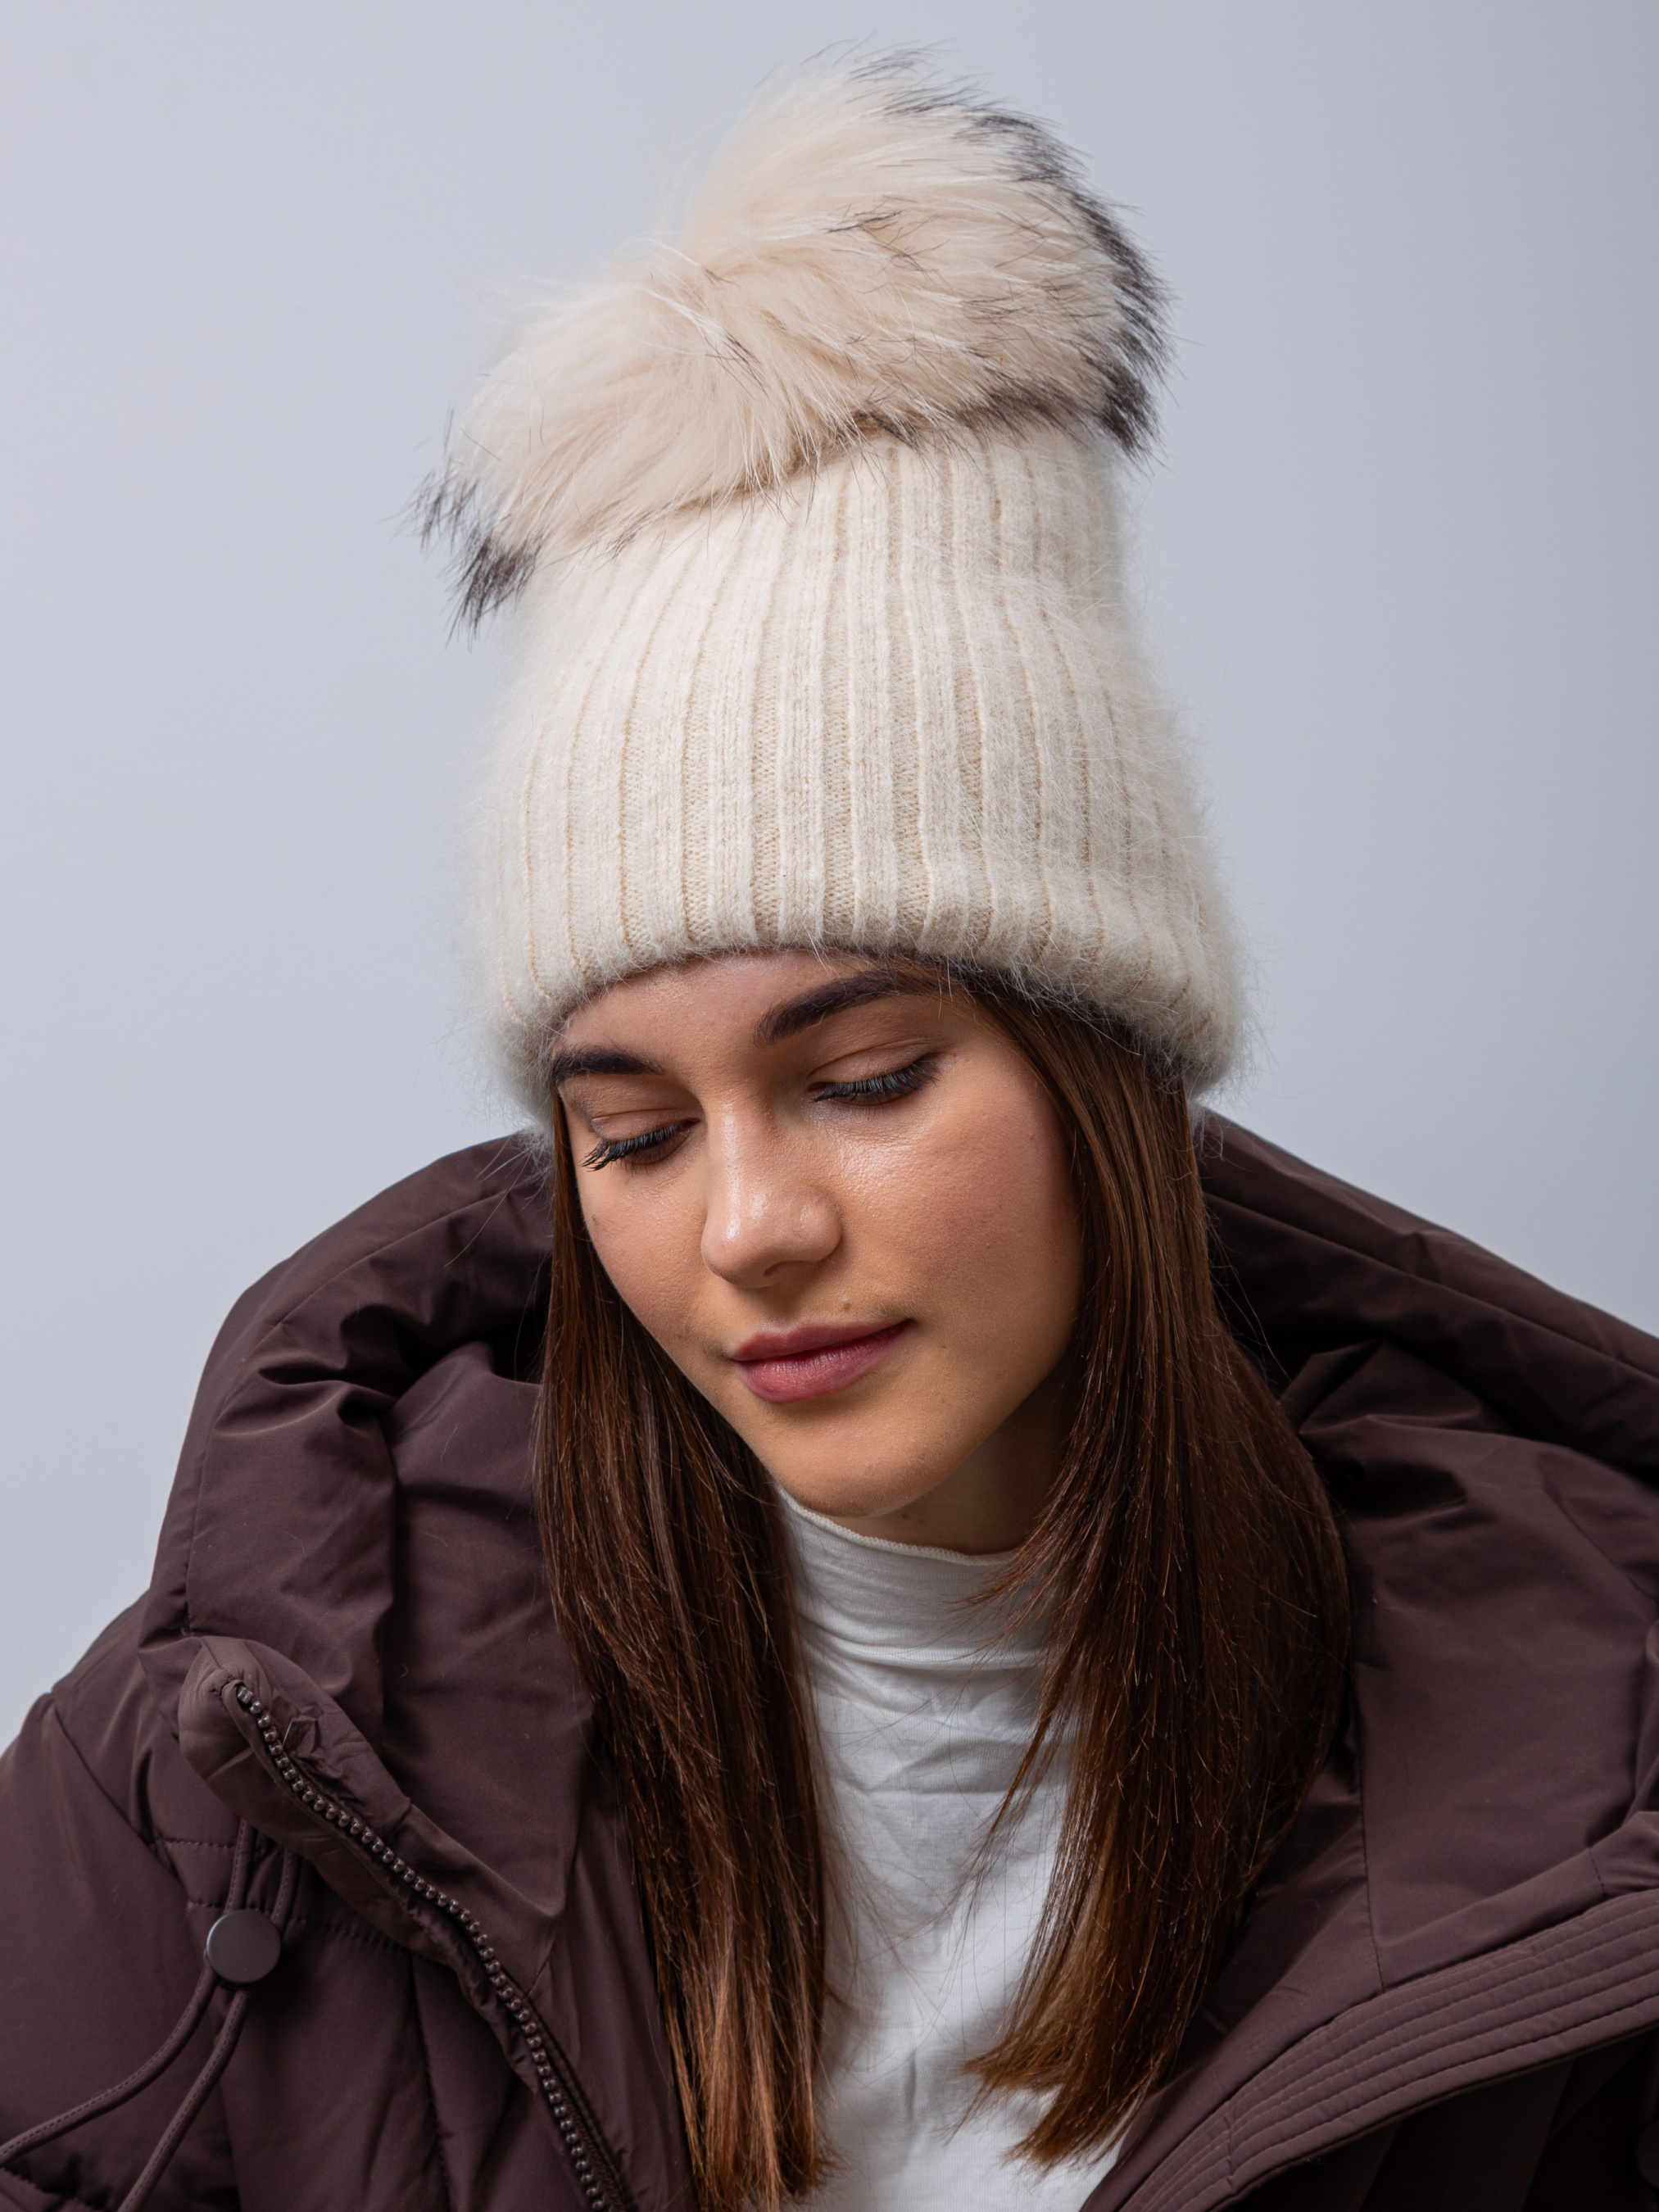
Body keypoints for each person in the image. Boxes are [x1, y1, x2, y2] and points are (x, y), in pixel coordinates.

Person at [2, 52, 1657, 2212]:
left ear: (1105, 1082)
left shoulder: (1600, 1763)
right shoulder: (223, 1752)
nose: (750, 1227)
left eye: (864, 1078)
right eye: (631, 1135)